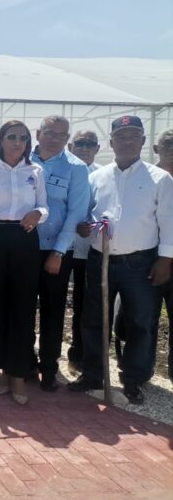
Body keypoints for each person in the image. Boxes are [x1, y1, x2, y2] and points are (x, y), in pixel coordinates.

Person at [69, 116, 173, 404]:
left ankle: (133, 379)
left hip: (140, 263)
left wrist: (165, 260)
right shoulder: (97, 177)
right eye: (121, 136)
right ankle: (93, 373)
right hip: (99, 259)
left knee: (140, 321)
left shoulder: (160, 179)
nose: (127, 142)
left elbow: (168, 220)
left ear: (143, 141)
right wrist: (84, 227)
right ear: (112, 142)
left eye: (133, 136)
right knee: (94, 319)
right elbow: (87, 215)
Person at [0, 120, 48, 405]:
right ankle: (3, 368)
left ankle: (18, 373)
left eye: (23, 138)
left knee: (23, 306)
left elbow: (44, 205)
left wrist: (38, 214)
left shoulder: (36, 171)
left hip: (25, 237)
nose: (18, 142)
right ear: (1, 141)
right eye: (12, 137)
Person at [31, 116, 90, 391]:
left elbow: (76, 212)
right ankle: (24, 362)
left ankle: (48, 368)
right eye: (50, 132)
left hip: (56, 250)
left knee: (53, 312)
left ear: (67, 139)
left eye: (61, 135)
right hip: (24, 249)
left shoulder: (76, 168)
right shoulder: (22, 160)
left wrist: (58, 252)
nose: (55, 139)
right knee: (22, 308)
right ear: (38, 133)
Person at [66, 129, 102, 371]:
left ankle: (79, 354)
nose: (85, 148)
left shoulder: (103, 175)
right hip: (60, 248)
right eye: (80, 143)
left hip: (88, 251)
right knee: (52, 303)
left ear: (97, 148)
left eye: (90, 144)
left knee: (85, 304)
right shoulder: (62, 170)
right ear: (71, 147)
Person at [154, 128, 173, 382]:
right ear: (156, 149)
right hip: (148, 259)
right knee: (140, 318)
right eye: (167, 144)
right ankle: (138, 371)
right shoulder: (149, 178)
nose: (172, 149)